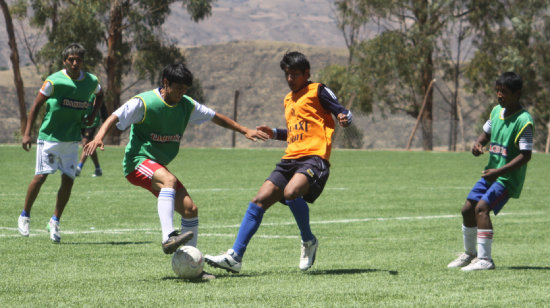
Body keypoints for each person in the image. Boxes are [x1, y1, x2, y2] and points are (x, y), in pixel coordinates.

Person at [83, 63, 269, 276]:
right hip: (137, 162)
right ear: (165, 83)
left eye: (185, 89)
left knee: (190, 210)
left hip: (158, 166)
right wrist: (98, 136)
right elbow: (115, 116)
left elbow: (215, 117)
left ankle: (193, 268)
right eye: (178, 88)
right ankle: (168, 237)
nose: (182, 93)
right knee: (169, 181)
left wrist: (244, 129)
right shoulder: (144, 102)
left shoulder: (186, 105)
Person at [204, 51, 353, 273]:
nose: (290, 79)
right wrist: (274, 132)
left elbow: (342, 111)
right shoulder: (287, 99)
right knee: (259, 200)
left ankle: (308, 241)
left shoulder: (318, 90)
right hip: (290, 158)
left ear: (307, 73)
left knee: (291, 192)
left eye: (295, 74)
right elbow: (295, 133)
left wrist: (344, 117)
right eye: (287, 74)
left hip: (314, 158)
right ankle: (235, 256)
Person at [17, 43, 104, 243]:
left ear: (82, 61)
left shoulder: (91, 81)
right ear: (64, 61)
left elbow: (100, 95)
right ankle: (25, 215)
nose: (75, 63)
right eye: (71, 59)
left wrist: (92, 115)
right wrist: (27, 133)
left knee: (68, 180)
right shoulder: (54, 81)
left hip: (72, 139)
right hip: (49, 137)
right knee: (41, 176)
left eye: (78, 60)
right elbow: (36, 106)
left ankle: (54, 221)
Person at [447, 72, 533, 271]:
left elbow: (525, 155)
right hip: (491, 174)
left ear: (517, 93)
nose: (499, 95)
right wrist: (477, 145)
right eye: (497, 90)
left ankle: (485, 260)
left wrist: (499, 171)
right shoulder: (496, 111)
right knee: (467, 209)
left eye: (504, 92)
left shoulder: (524, 121)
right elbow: (486, 134)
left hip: (507, 178)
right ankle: (471, 254)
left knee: (481, 208)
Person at [75, 94, 107, 177]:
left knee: (85, 143)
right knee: (90, 145)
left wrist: (105, 120)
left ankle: (79, 167)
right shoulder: (82, 91)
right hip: (82, 122)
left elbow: (102, 106)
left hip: (92, 122)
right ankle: (98, 169)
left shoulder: (95, 93)